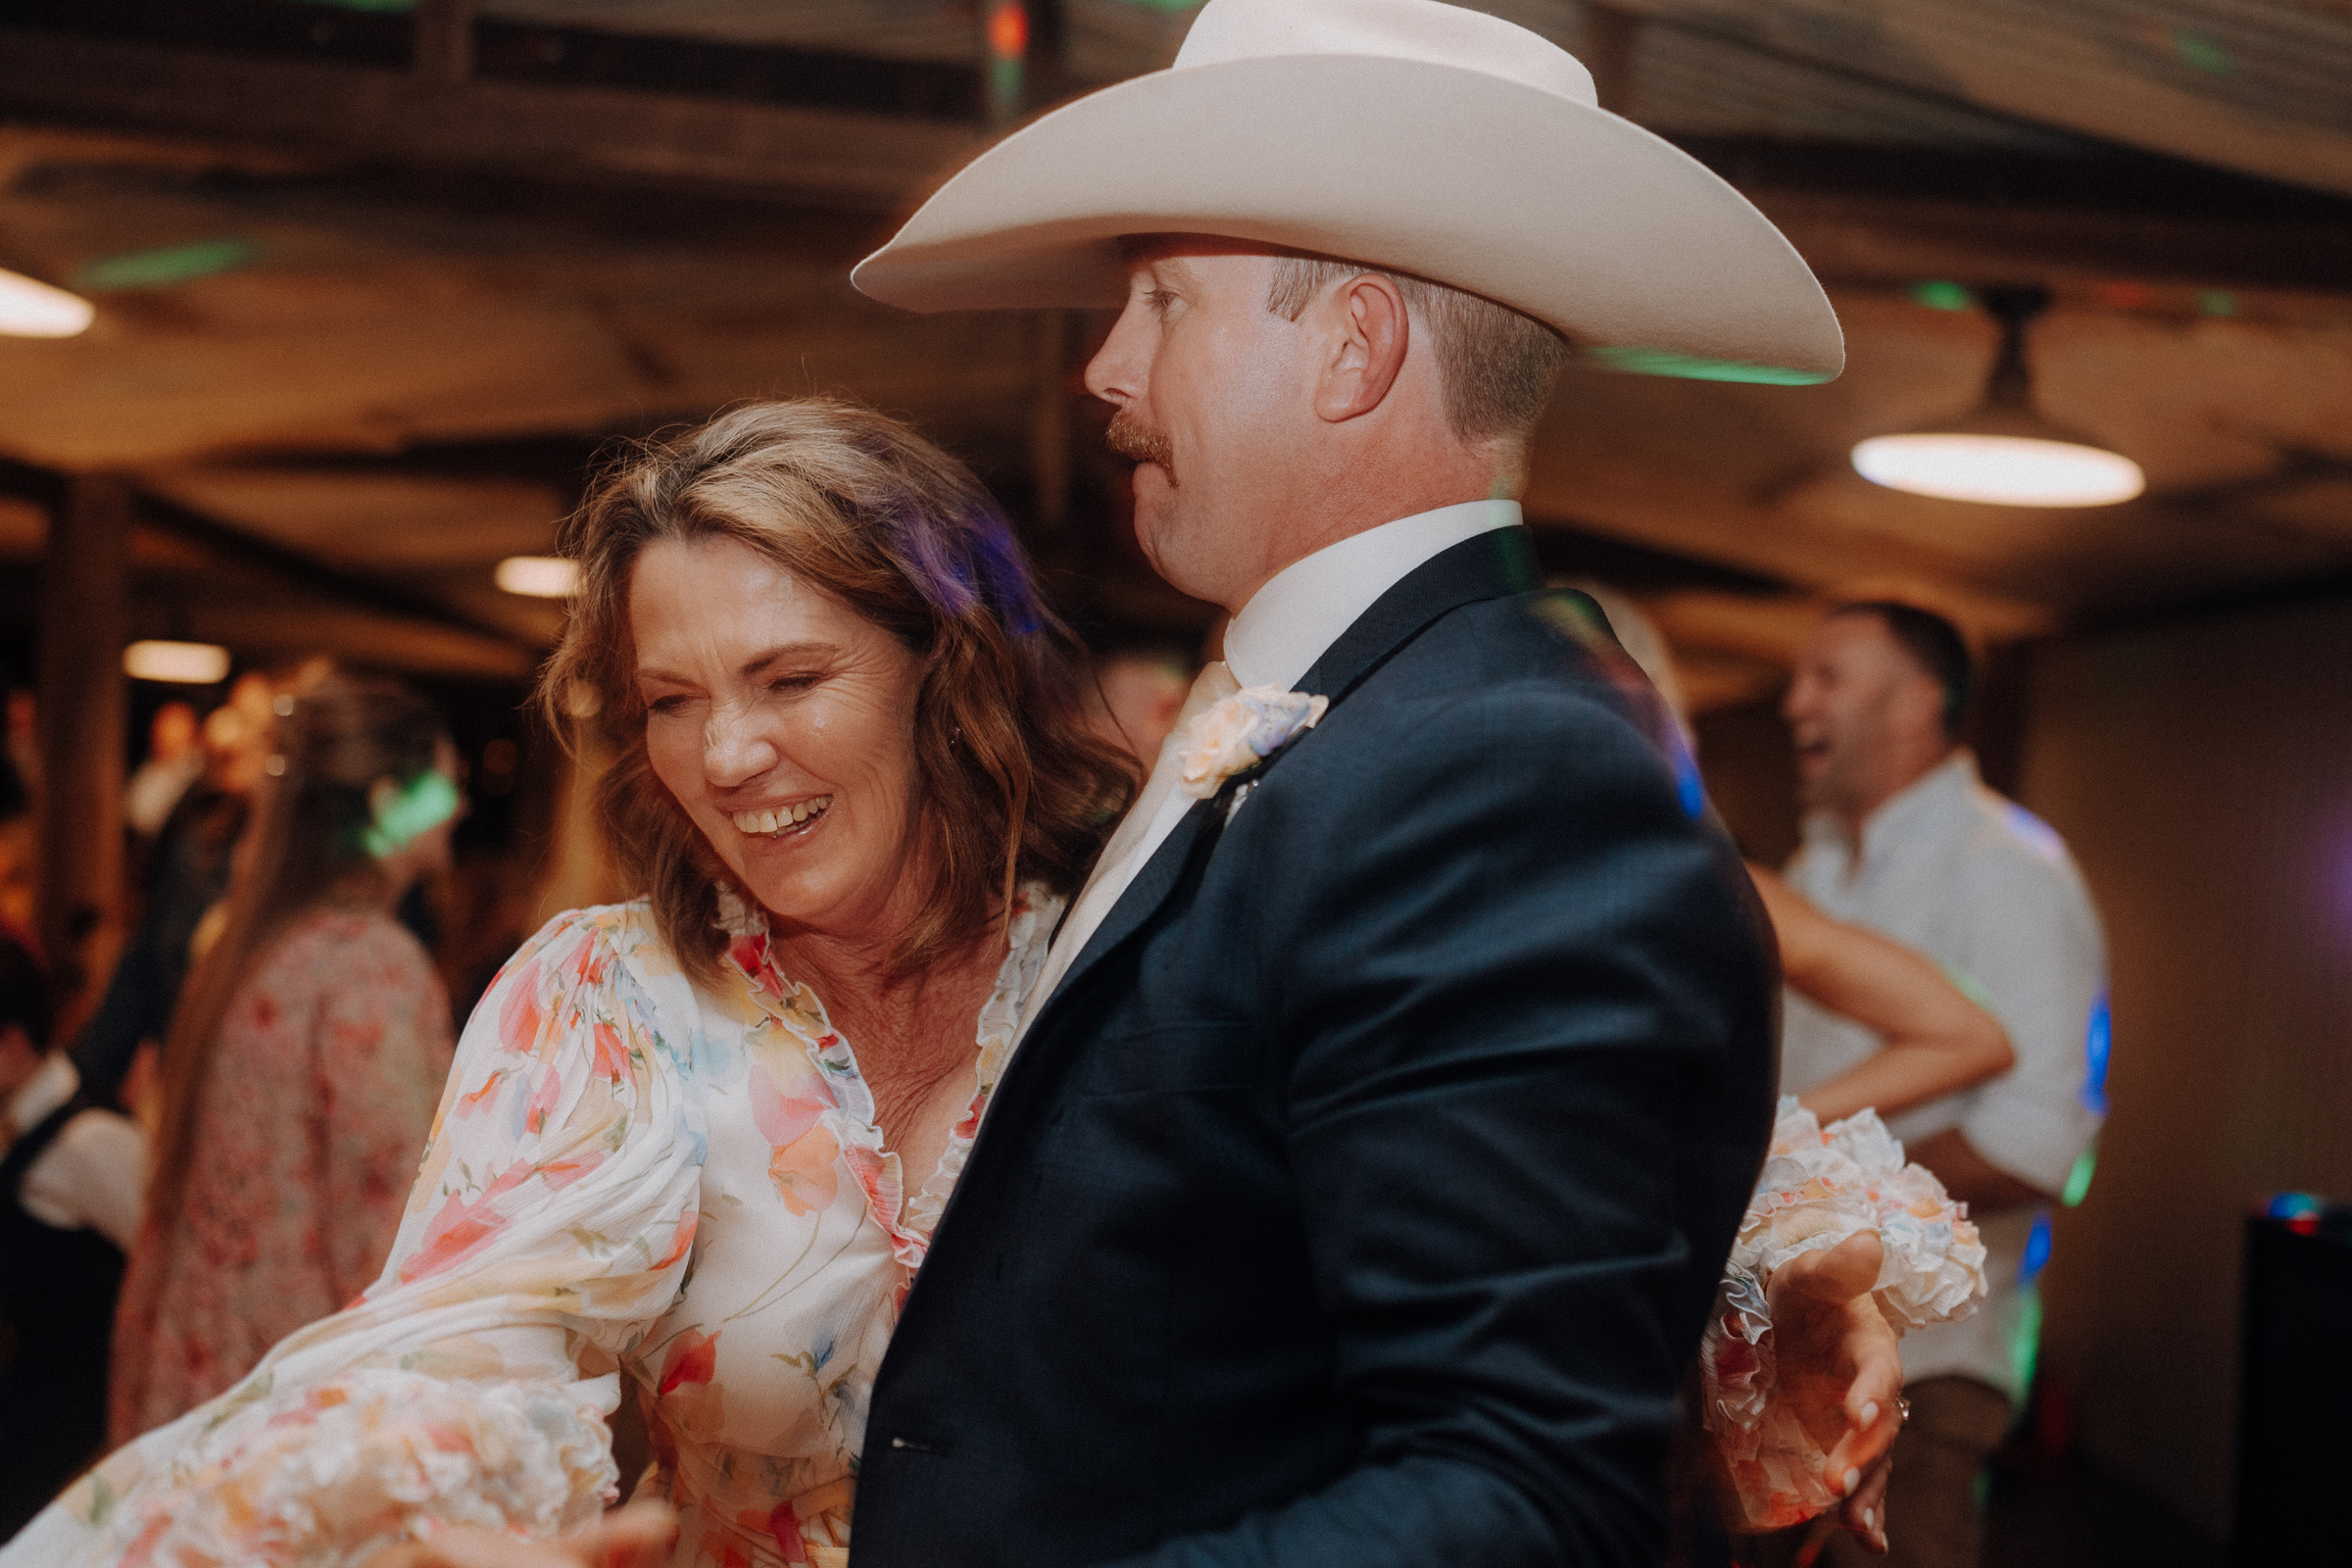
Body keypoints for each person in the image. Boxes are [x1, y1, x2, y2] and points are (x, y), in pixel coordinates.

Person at [6, 384, 1890, 1568]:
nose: (726, 754)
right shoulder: (603, 1006)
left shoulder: (1145, 921)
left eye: (790, 680)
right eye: (673, 702)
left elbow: (1497, 1139)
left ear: (946, 670)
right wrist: (413, 1520)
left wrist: (1788, 1262)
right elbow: (453, 1360)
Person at [1773, 600, 2109, 1568]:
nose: (1795, 701)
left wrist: (1802, 1201)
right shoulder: (1817, 864)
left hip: (1926, 1371)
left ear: (1917, 704)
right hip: (1795, 1352)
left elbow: (2037, 1145)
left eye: (1827, 677)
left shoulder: (2007, 871)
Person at [107, 670, 465, 1443]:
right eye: (443, 788)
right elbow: (389, 1225)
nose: (460, 808)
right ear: (385, 805)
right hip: (300, 1399)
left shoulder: (246, 946)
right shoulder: (373, 968)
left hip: (206, 1372)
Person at [0, 932, 143, 1541]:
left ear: (10, 1044)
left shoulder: (92, 1140)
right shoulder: (16, 1124)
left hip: (76, 1448)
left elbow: (165, 1260)